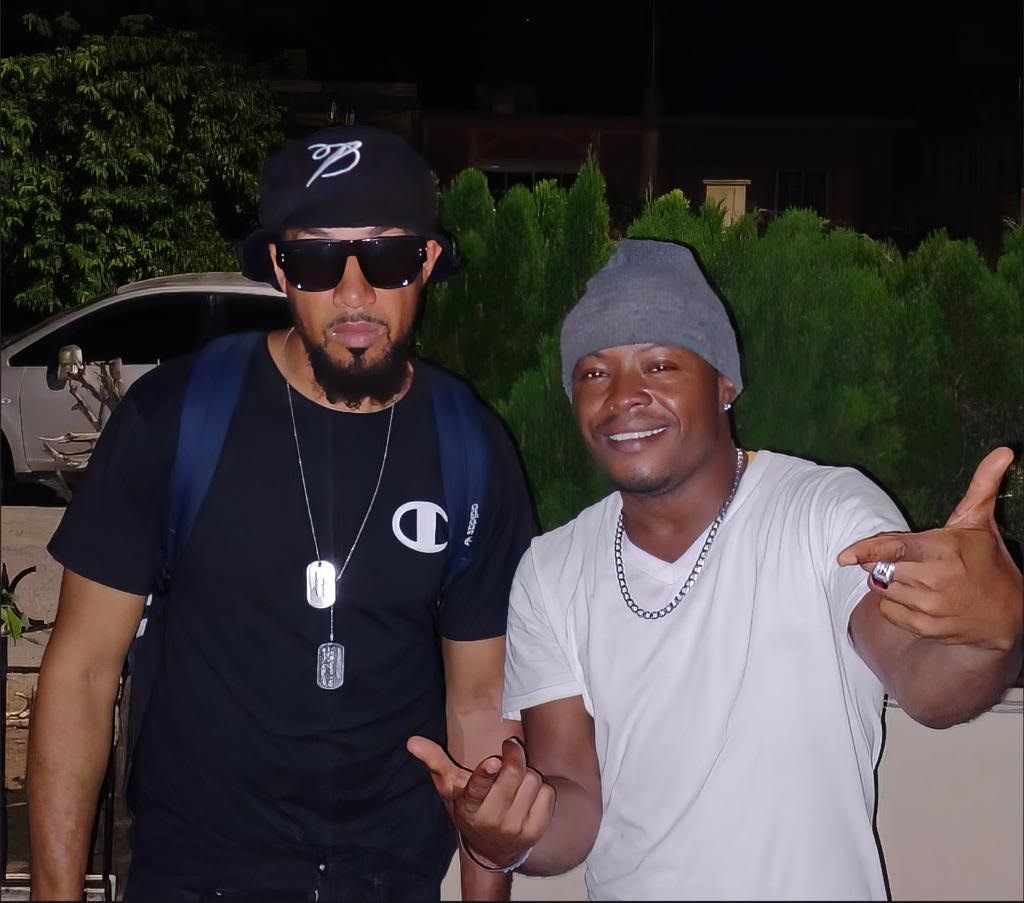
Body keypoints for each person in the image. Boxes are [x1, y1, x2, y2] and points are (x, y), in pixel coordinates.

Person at [409, 239, 1024, 900]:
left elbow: (927, 682)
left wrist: (993, 632)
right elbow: (575, 803)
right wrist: (505, 839)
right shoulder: (551, 570)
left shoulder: (825, 512)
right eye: (593, 373)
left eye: (660, 364)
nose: (623, 397)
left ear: (724, 383)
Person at [28, 124, 535, 901]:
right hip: (197, 879)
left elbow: (478, 702)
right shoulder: (174, 417)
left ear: (428, 261)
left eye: (388, 256)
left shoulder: (470, 444)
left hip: (387, 880)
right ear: (277, 268)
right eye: (318, 259)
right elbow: (82, 673)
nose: (355, 292)